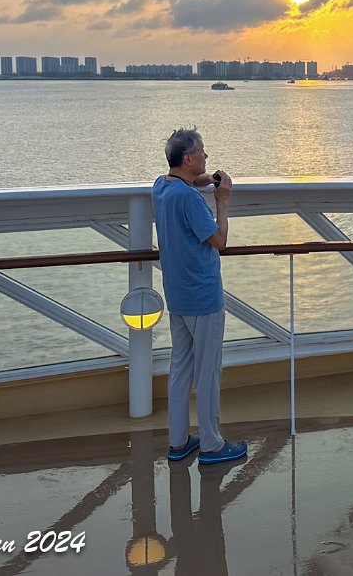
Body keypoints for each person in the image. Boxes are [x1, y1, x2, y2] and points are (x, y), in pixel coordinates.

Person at [153, 128, 248, 466]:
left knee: (180, 369)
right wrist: (222, 201)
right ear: (189, 158)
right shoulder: (191, 200)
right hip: (203, 297)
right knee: (208, 372)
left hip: (178, 296)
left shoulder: (161, 187)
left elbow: (186, 184)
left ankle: (178, 441)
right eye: (202, 152)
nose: (206, 156)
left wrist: (206, 179)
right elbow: (219, 241)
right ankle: (211, 444)